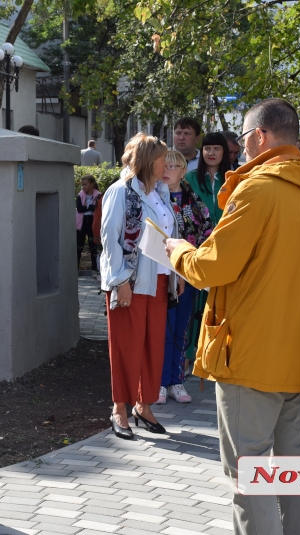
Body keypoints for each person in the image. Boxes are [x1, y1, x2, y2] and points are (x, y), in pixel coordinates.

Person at [166, 98, 300, 535]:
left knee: (249, 476)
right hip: (297, 354)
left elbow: (211, 268)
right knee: (289, 470)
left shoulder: (258, 188)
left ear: (260, 136)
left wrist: (179, 251)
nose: (239, 149)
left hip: (252, 355)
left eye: (242, 140)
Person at [100, 132, 178, 439]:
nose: (167, 163)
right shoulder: (120, 192)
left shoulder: (160, 192)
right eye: (162, 158)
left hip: (159, 281)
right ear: (147, 161)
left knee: (152, 347)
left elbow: (168, 236)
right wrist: (120, 281)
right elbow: (110, 240)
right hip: (129, 282)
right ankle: (120, 409)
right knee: (125, 347)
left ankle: (144, 407)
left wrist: (176, 275)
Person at [156, 150, 213, 405]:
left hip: (186, 274)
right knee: (162, 329)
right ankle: (158, 381)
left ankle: (175, 381)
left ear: (182, 171)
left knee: (181, 329)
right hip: (160, 274)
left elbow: (206, 234)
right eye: (164, 165)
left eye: (173, 166)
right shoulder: (154, 198)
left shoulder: (195, 203)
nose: (167, 170)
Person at [184, 132, 231, 225]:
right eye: (207, 148)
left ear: (224, 152)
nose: (211, 153)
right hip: (199, 235)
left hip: (227, 234)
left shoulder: (233, 179)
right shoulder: (189, 178)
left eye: (217, 149)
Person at [76, 175, 101, 271]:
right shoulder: (80, 195)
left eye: (85, 184)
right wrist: (89, 207)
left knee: (93, 246)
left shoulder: (98, 195)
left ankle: (95, 269)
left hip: (92, 221)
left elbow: (97, 208)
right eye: (82, 185)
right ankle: (76, 269)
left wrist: (87, 207)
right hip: (81, 222)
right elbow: (79, 208)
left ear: (92, 184)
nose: (83, 187)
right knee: (79, 246)